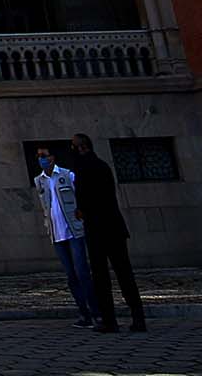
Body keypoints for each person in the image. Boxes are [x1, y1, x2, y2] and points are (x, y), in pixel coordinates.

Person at [69, 133, 145, 332]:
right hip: (113, 227)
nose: (73, 150)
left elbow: (88, 198)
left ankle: (110, 320)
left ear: (83, 148)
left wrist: (82, 210)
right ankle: (138, 318)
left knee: (102, 276)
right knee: (124, 273)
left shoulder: (84, 168)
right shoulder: (102, 166)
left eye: (74, 146)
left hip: (98, 228)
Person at [31, 149, 97, 328]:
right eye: (38, 157)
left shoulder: (68, 175)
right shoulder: (40, 180)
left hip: (73, 230)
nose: (41, 159)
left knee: (82, 272)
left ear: (52, 157)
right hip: (57, 233)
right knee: (71, 275)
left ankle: (96, 312)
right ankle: (84, 313)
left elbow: (80, 198)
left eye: (44, 156)